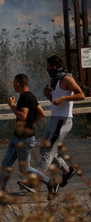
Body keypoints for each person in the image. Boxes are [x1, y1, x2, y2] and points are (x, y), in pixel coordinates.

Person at [36, 55, 85, 197]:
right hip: (53, 119)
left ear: (54, 67)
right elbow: (55, 102)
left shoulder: (66, 79)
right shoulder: (55, 80)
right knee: (43, 148)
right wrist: (49, 95)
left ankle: (34, 182)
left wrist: (64, 98)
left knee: (48, 151)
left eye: (48, 66)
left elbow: (80, 95)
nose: (47, 69)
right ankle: (67, 170)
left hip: (62, 121)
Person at [0, 74, 49, 194]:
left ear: (18, 84)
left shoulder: (24, 98)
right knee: (5, 164)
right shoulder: (31, 96)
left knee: (25, 168)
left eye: (14, 83)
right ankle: (0, 191)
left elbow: (22, 116)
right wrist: (31, 124)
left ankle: (49, 182)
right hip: (17, 136)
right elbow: (42, 113)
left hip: (24, 139)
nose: (13, 85)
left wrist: (12, 106)